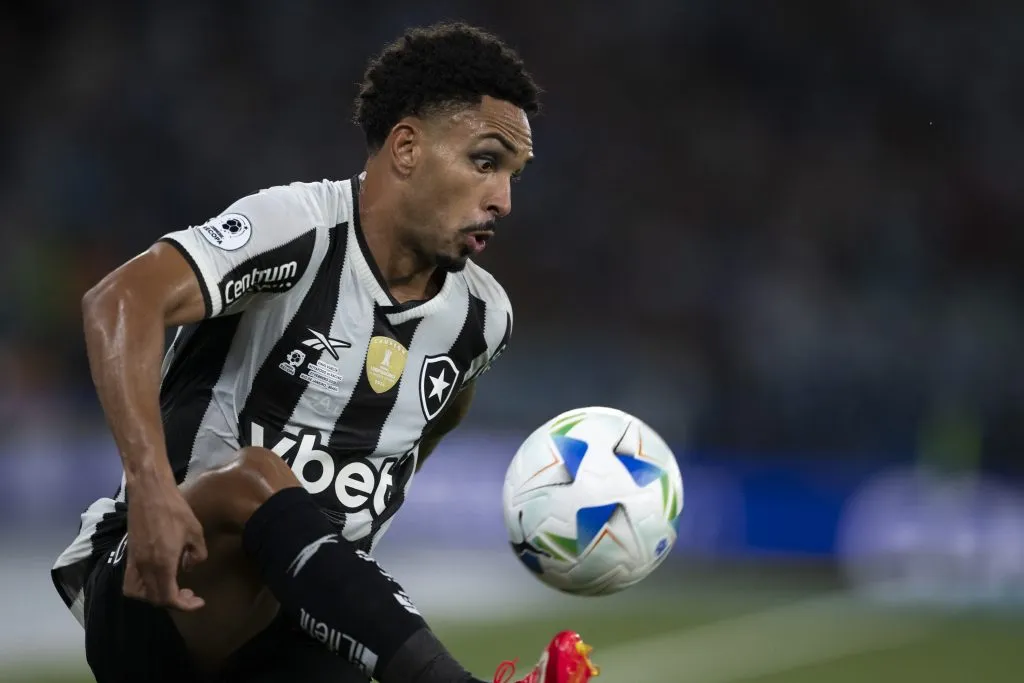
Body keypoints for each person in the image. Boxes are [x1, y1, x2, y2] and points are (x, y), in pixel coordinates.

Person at [51, 21, 599, 683]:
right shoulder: (299, 229)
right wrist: (151, 489)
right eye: (486, 162)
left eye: (514, 175)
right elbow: (118, 300)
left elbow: (438, 415)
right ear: (406, 148)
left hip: (293, 625)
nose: (504, 200)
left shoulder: (482, 319)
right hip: (162, 582)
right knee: (254, 478)